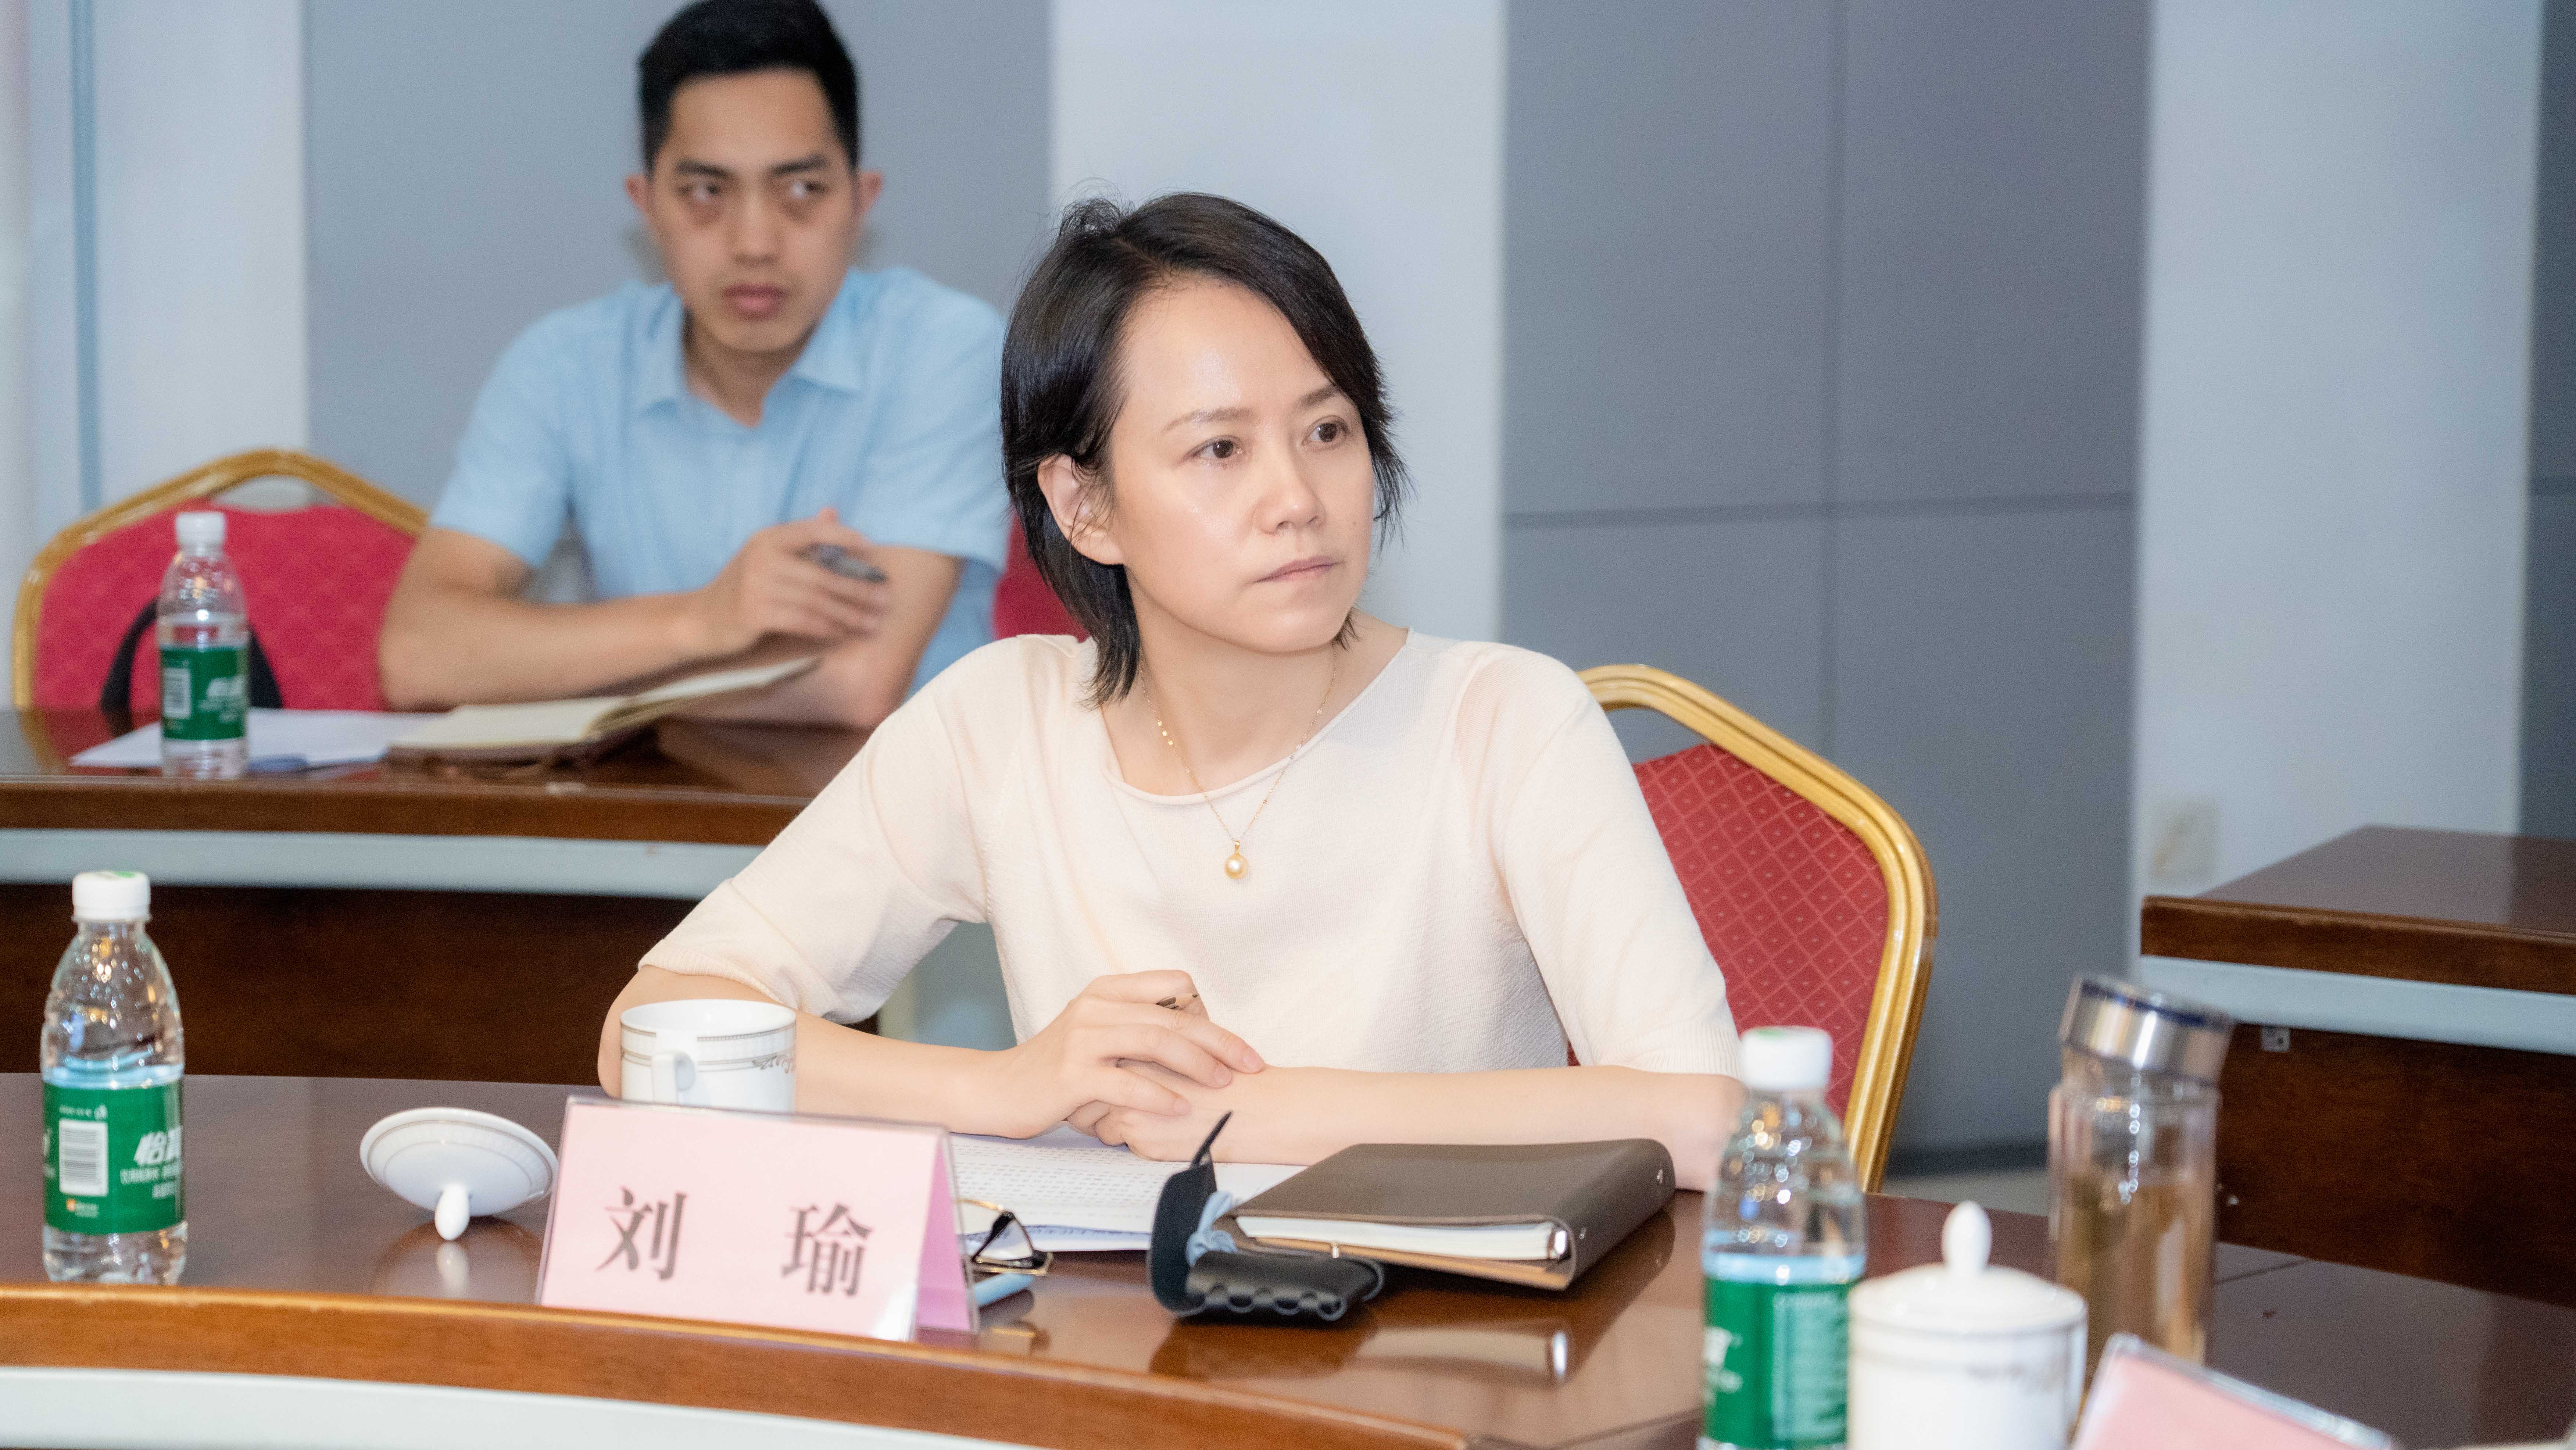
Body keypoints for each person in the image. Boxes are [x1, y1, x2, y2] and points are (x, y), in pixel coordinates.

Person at [600, 194, 1745, 1186]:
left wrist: (1255, 1113)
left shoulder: (1507, 721)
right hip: (1114, 1337)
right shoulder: (1000, 725)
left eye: (1328, 430)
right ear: (1085, 506)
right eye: (1220, 450)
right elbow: (648, 1033)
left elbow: (1705, 1120)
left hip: (1438, 1345)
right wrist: (1005, 1086)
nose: (1298, 499)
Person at [379, 0, 1005, 728]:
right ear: (646, 206)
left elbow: (854, 684)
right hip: (644, 798)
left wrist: (550, 670)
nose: (754, 243)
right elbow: (419, 656)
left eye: (801, 190)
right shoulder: (562, 366)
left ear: (861, 201)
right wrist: (700, 620)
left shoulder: (944, 347)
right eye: (707, 192)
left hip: (910, 797)